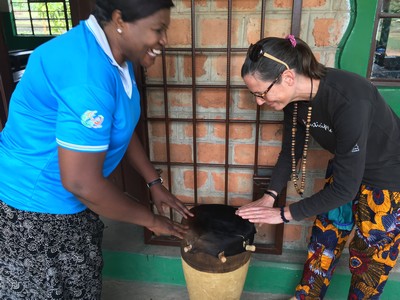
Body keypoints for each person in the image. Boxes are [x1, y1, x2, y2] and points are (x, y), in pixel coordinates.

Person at [0, 0, 193, 299]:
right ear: (119, 20)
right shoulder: (88, 76)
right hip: (34, 213)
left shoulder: (116, 57)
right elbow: (81, 183)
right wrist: (152, 220)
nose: (164, 40)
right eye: (158, 29)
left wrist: (153, 181)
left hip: (69, 206)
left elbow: (120, 128)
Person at [236, 35, 400, 299]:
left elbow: (344, 190)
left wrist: (283, 214)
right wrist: (270, 197)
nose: (258, 102)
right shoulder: (294, 101)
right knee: (322, 248)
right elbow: (291, 151)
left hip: (388, 180)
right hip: (346, 170)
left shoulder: (350, 98)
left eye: (260, 93)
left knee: (369, 265)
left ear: (287, 77)